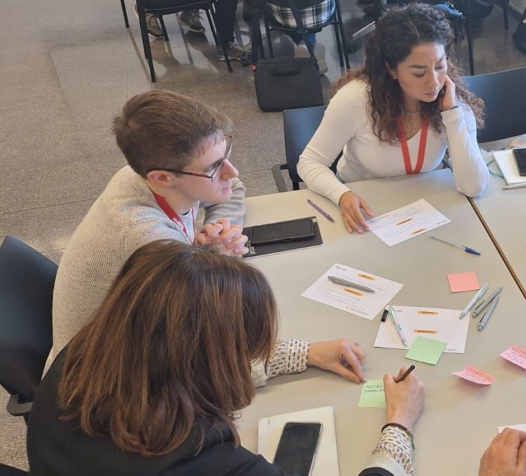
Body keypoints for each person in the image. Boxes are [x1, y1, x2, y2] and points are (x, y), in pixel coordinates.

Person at [29, 240, 425, 476]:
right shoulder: (189, 460)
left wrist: (304, 352)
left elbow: (178, 362)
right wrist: (399, 426)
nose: (244, 358)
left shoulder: (86, 355)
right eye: (239, 349)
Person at [51, 90, 367, 387]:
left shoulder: (149, 173)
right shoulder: (146, 238)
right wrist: (306, 353)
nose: (231, 171)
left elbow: (233, 189)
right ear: (162, 178)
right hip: (109, 377)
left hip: (148, 329)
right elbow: (202, 364)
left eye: (226, 155)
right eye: (215, 167)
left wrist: (219, 234)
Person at [297, 3, 489, 234]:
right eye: (419, 73)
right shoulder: (357, 100)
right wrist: (341, 195)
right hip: (365, 209)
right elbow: (309, 163)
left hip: (425, 208)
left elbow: (474, 186)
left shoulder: (451, 96)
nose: (434, 82)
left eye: (440, 66)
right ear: (391, 69)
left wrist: (452, 113)